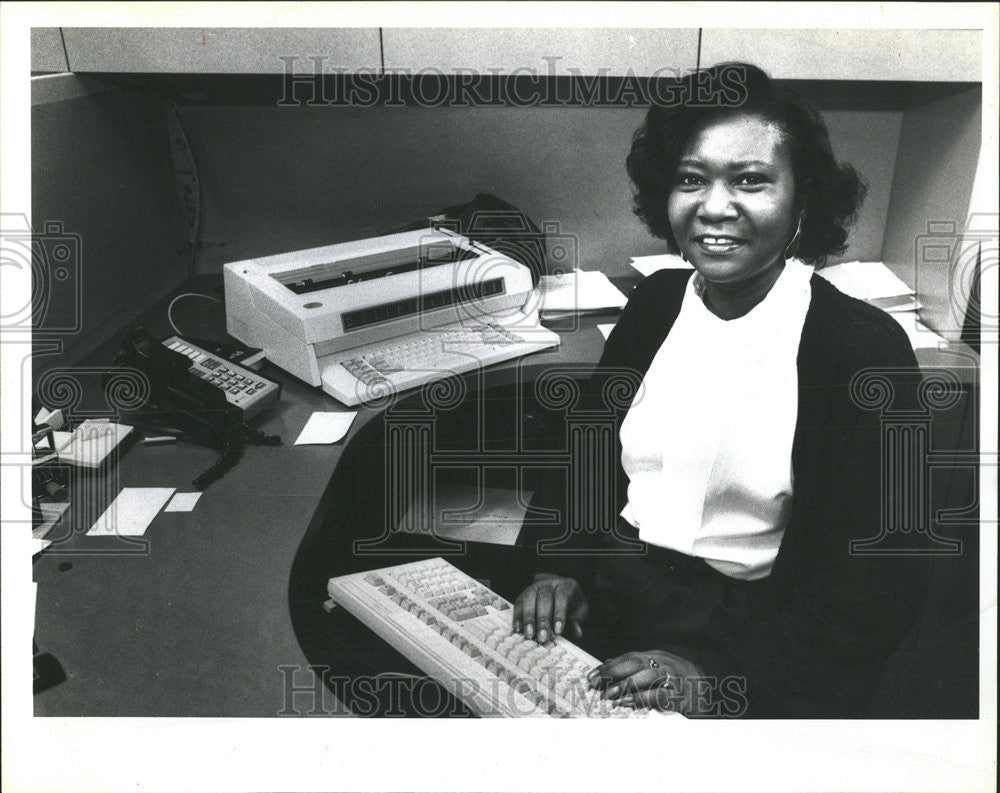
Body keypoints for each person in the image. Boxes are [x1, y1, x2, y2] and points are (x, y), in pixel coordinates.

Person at [513, 63, 926, 718]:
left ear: (803, 200)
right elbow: (585, 459)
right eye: (690, 179)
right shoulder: (653, 303)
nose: (713, 206)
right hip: (617, 597)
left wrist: (713, 678)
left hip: (758, 642)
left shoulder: (859, 350)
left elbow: (873, 588)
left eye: (751, 180)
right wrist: (556, 566)